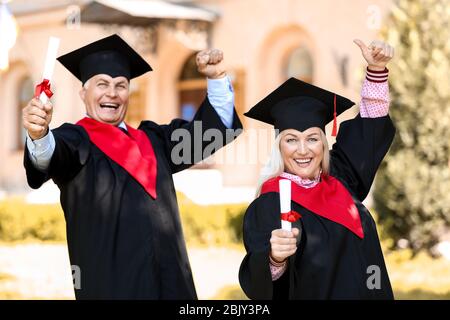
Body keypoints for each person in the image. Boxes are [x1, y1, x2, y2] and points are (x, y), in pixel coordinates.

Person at [22, 34, 242, 299]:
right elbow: (46, 155)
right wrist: (38, 134)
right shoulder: (74, 142)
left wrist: (216, 77)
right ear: (83, 93)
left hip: (171, 285)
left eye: (121, 85)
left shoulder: (154, 140)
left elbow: (211, 132)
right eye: (102, 84)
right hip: (111, 286)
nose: (112, 93)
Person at [239, 39, 396, 299]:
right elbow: (264, 287)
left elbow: (369, 130)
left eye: (312, 138)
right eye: (291, 139)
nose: (303, 150)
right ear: (279, 147)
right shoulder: (271, 204)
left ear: (323, 143)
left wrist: (376, 71)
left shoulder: (342, 177)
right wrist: (275, 259)